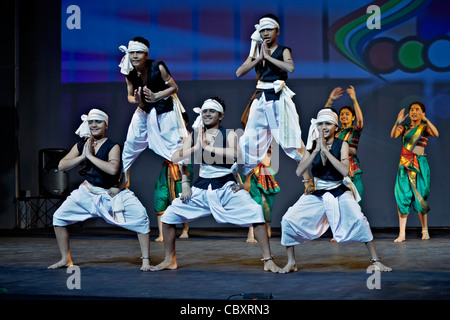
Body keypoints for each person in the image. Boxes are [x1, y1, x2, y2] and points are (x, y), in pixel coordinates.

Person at [150, 97, 281, 273]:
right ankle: (169, 260)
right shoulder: (195, 135)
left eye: (212, 111)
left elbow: (236, 155)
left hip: (226, 187)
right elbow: (175, 157)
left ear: (220, 115)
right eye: (204, 111)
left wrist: (207, 148)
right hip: (201, 188)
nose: (207, 114)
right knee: (168, 217)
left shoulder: (230, 134)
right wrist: (187, 180)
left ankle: (268, 260)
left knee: (256, 212)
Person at [280, 108, 391, 273]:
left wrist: (326, 151)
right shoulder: (311, 145)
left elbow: (345, 171)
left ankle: (376, 260)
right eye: (321, 124)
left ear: (336, 127)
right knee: (288, 219)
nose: (324, 127)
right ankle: (291, 262)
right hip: (318, 192)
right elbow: (299, 171)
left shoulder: (342, 144)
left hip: (339, 190)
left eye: (328, 124)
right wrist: (316, 150)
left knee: (360, 221)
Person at [47, 108, 151, 271]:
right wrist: (82, 156)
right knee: (59, 218)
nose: (94, 125)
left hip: (111, 192)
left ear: (105, 125)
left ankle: (145, 260)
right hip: (87, 192)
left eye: (98, 122)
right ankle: (65, 259)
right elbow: (62, 165)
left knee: (141, 217)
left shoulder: (113, 145)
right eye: (91, 122)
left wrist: (90, 157)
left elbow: (112, 169)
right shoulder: (82, 144)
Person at [236, 14, 303, 186]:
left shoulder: (283, 50)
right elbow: (239, 72)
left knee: (290, 138)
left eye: (269, 29)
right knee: (250, 139)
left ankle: (309, 178)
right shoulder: (256, 52)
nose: (265, 33)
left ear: (277, 31)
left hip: (278, 97)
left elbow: (290, 67)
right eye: (262, 30)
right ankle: (245, 181)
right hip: (260, 97)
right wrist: (259, 58)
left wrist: (269, 57)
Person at [117, 36, 190, 194]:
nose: (135, 56)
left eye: (139, 53)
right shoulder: (128, 71)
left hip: (165, 109)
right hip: (144, 109)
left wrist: (157, 95)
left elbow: (174, 87)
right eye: (132, 53)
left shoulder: (158, 67)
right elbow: (130, 96)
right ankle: (125, 178)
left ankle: (185, 181)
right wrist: (135, 99)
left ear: (146, 55)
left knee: (175, 144)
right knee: (130, 142)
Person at [391, 102, 439, 242]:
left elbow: (435, 133)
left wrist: (426, 120)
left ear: (422, 113)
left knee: (420, 197)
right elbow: (393, 135)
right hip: (404, 166)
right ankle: (402, 234)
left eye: (417, 110)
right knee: (402, 197)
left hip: (420, 165)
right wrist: (397, 121)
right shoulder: (404, 128)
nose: (413, 112)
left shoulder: (424, 128)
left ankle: (425, 230)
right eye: (412, 109)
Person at [154, 113, 193, 241]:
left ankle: (185, 229)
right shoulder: (168, 134)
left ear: (185, 123)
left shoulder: (189, 135)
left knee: (181, 197)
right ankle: (161, 233)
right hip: (167, 168)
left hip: (183, 168)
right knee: (160, 197)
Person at [324, 85, 364, 203]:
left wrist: (354, 99)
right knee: (336, 205)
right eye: (342, 114)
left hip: (353, 170)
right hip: (335, 171)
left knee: (355, 204)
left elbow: (360, 121)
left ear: (352, 118)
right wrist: (330, 100)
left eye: (347, 114)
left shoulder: (354, 131)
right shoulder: (335, 133)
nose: (344, 116)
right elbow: (323, 120)